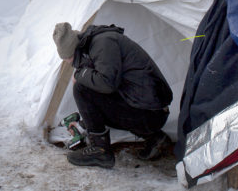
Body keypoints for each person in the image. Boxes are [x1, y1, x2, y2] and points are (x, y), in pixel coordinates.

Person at [53, 22, 173, 169]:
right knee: (89, 85)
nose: (68, 62)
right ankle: (156, 138)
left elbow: (107, 84)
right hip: (148, 109)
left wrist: (80, 74)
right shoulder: (94, 44)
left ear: (72, 50)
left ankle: (100, 150)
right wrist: (84, 124)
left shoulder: (103, 43)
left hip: (151, 113)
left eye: (68, 58)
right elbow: (105, 97)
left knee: (82, 88)